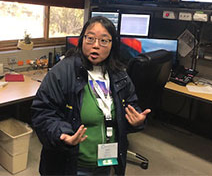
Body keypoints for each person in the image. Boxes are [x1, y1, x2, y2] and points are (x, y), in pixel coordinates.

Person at [31, 16, 151, 176]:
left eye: (104, 41)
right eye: (90, 38)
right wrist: (62, 134)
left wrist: (137, 121)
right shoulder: (62, 72)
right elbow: (43, 113)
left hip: (107, 161)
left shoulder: (119, 75)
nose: (95, 45)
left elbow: (130, 106)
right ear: (82, 40)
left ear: (112, 45)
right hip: (71, 164)